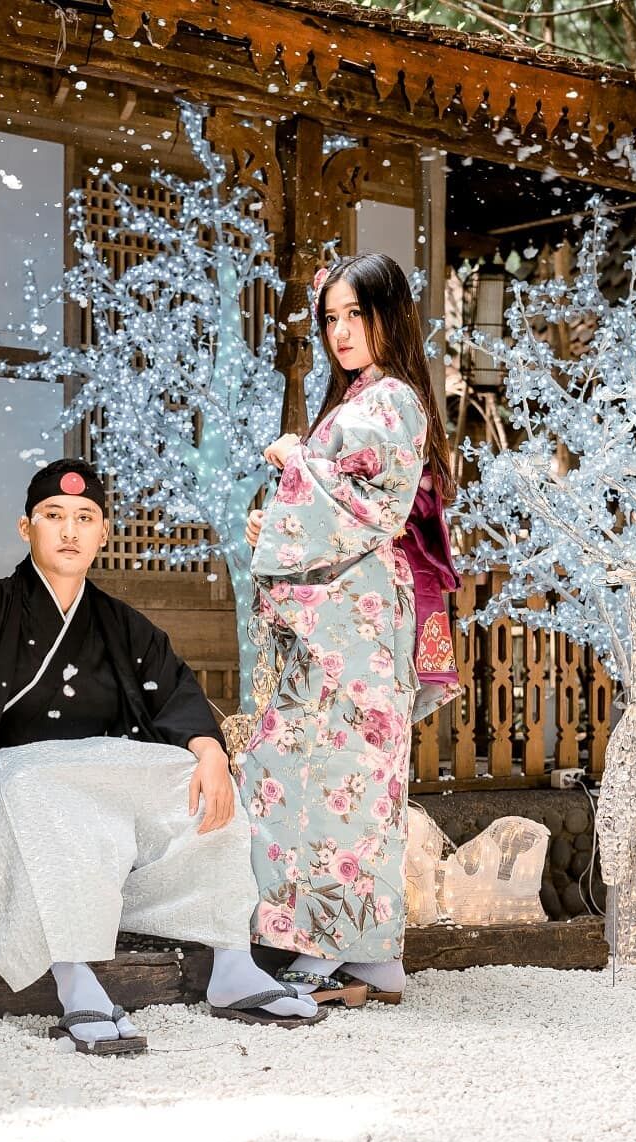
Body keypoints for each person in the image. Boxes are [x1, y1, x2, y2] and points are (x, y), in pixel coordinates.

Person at [0, 458, 324, 1054]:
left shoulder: (123, 625)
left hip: (97, 778)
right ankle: (74, 975)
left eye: (84, 518)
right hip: (11, 785)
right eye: (53, 516)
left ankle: (231, 961)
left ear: (103, 533)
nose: (69, 531)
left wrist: (211, 755)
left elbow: (177, 695)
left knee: (195, 777)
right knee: (40, 790)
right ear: (25, 528)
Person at [241, 254, 461, 1007]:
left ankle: (349, 953)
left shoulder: (391, 400)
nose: (339, 331)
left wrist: (296, 459)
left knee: (344, 782)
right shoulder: (365, 400)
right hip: (342, 614)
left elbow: (375, 505)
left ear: (387, 316)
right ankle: (356, 954)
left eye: (354, 315)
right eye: (330, 317)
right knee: (315, 772)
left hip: (358, 620)